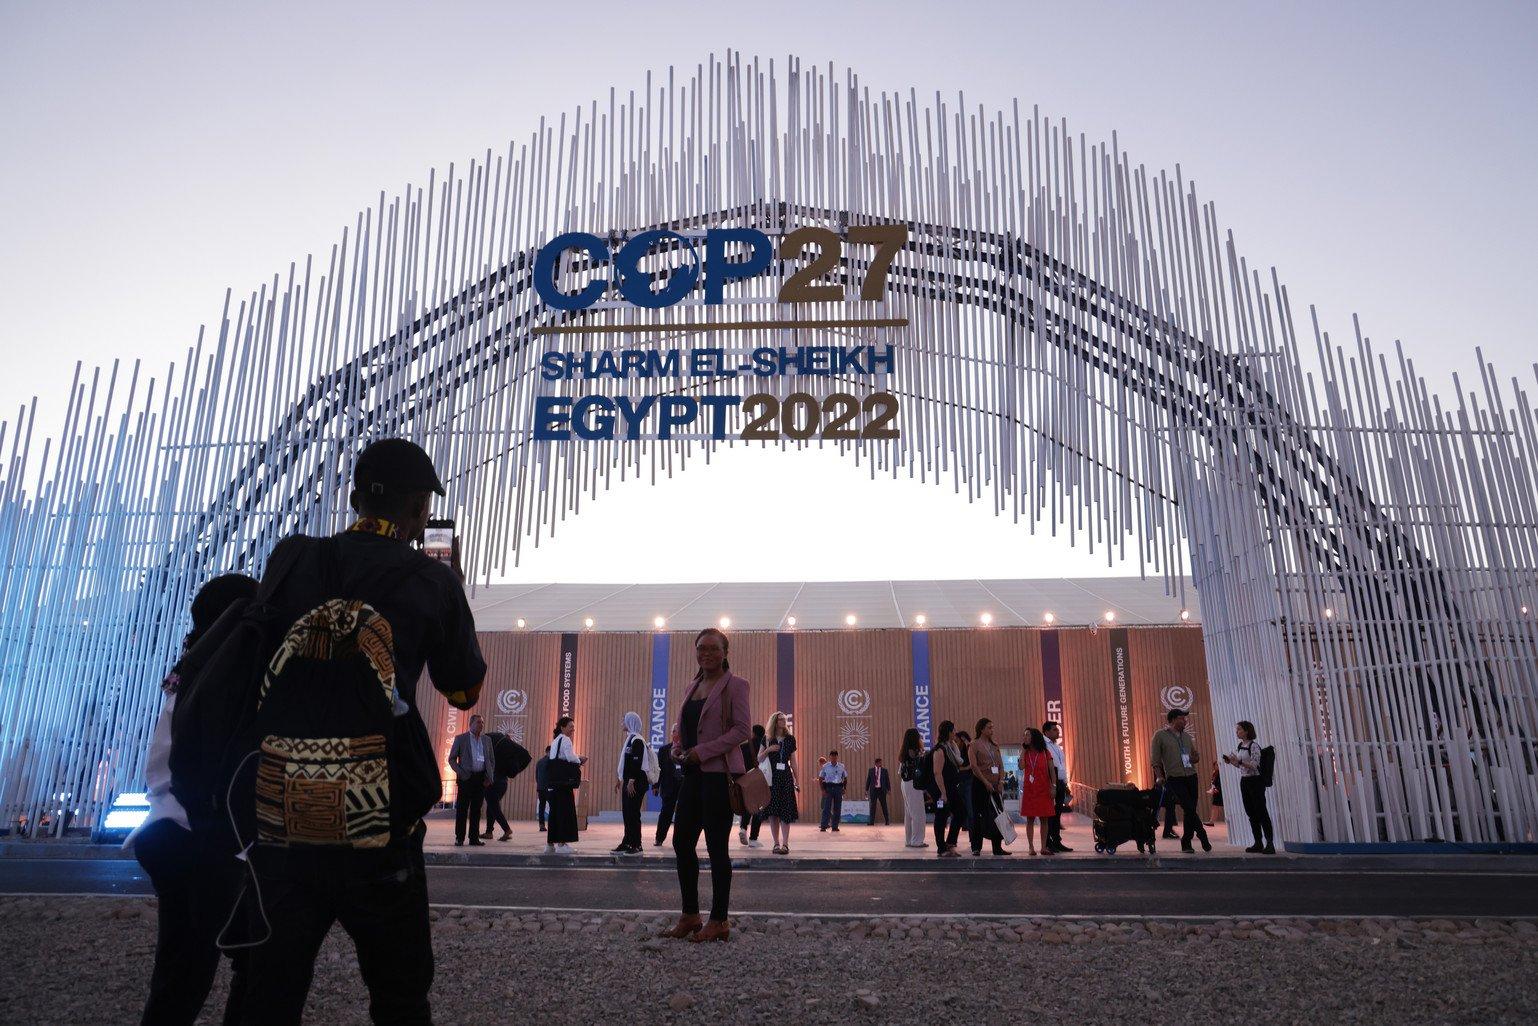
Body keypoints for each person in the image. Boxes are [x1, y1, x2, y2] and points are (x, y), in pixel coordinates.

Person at [242, 437, 487, 1025]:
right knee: (400, 994)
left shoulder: (293, 558)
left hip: (284, 811)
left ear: (353, 497)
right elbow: (464, 691)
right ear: (420, 511)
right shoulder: (432, 581)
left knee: (266, 991)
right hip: (377, 819)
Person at [130, 572, 258, 1026]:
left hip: (170, 828)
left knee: (185, 969)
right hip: (206, 838)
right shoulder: (226, 676)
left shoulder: (190, 667)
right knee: (211, 966)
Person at [660, 628, 751, 944]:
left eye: (713, 648)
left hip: (718, 777)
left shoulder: (736, 686)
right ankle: (690, 915)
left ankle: (719, 920)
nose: (706, 653)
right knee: (681, 843)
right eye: (701, 648)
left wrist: (703, 751)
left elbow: (742, 731)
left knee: (717, 848)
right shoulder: (692, 686)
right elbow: (687, 728)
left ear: (725, 651)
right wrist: (679, 747)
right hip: (692, 775)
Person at [1152, 707, 1211, 852]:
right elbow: (1155, 759)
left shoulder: (1186, 737)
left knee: (1189, 810)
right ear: (1173, 720)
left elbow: (1194, 756)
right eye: (1182, 718)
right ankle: (1202, 835)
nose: (1185, 721)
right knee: (1188, 807)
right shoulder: (1160, 736)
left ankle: (1186, 843)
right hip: (1174, 777)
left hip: (1191, 776)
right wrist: (1159, 776)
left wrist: (1195, 758)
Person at [1223, 720, 1275, 853]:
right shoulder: (1240, 745)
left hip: (1255, 781)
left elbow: (1254, 765)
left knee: (1261, 811)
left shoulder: (1254, 746)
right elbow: (1240, 765)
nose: (1237, 732)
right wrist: (1232, 762)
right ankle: (1258, 842)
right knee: (1251, 812)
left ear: (1247, 731)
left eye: (1239, 729)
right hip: (1245, 781)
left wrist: (1239, 762)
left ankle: (1269, 843)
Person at [967, 719, 1011, 856]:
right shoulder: (974, 745)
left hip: (996, 786)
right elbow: (974, 766)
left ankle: (997, 847)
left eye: (992, 727)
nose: (992, 730)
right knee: (979, 816)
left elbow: (1001, 766)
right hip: (980, 785)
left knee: (998, 815)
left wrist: (1001, 781)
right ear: (981, 729)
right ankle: (976, 847)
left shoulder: (994, 745)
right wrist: (985, 782)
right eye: (989, 727)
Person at [448, 714, 493, 846]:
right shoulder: (461, 739)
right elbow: (451, 759)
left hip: (481, 779)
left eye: (482, 722)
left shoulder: (487, 740)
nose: (481, 725)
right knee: (462, 809)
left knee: (476, 810)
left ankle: (474, 838)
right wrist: (461, 773)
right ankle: (459, 838)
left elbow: (491, 760)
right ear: (471, 724)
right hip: (466, 778)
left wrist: (489, 776)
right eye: (478, 722)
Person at [545, 717, 585, 854]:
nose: (573, 729)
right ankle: (562, 844)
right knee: (565, 812)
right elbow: (570, 757)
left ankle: (550, 844)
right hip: (564, 784)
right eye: (570, 727)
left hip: (554, 783)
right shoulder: (566, 740)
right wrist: (580, 758)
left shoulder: (555, 741)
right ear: (562, 727)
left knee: (554, 814)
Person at [761, 711, 798, 855]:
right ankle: (776, 843)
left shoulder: (790, 739)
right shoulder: (767, 738)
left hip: (786, 778)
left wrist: (797, 780)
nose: (783, 721)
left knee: (786, 811)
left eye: (784, 719)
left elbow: (793, 761)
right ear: (775, 722)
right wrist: (768, 750)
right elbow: (759, 758)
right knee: (773, 812)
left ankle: (785, 844)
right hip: (771, 779)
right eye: (781, 719)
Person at [1018, 727, 1057, 856]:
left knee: (1044, 819)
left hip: (1044, 789)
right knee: (1030, 819)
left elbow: (1052, 771)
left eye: (1027, 735)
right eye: (1024, 735)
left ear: (1034, 737)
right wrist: (1023, 752)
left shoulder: (1045, 752)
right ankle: (1031, 847)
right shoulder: (1026, 753)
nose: (1025, 738)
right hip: (1030, 789)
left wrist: (1053, 786)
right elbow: (1021, 766)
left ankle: (1044, 847)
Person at [614, 712, 648, 856]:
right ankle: (627, 842)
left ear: (630, 722)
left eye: (624, 721)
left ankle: (636, 844)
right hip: (628, 780)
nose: (622, 723)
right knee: (627, 813)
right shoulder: (630, 739)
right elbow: (626, 762)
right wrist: (620, 779)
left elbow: (636, 761)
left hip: (636, 782)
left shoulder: (637, 740)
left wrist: (631, 781)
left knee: (633, 813)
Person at [929, 720, 963, 857]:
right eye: (954, 730)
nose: (955, 733)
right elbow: (937, 773)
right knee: (941, 817)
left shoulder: (951, 748)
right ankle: (941, 848)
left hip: (952, 788)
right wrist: (943, 793)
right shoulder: (940, 750)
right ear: (948, 732)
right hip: (942, 790)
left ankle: (949, 843)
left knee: (961, 812)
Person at [1041, 721, 1072, 853]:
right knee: (1050, 815)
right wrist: (1053, 785)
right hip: (1050, 783)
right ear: (1047, 732)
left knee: (1057, 814)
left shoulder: (1055, 746)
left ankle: (1057, 841)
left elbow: (1061, 766)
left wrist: (1065, 783)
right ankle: (1048, 842)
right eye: (1054, 730)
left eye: (1058, 730)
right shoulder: (1043, 745)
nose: (1058, 732)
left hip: (1060, 783)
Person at [653, 724, 684, 847]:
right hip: (669, 786)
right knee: (666, 812)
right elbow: (659, 769)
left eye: (679, 731)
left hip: (683, 786)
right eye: (675, 731)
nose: (677, 733)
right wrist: (655, 785)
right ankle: (659, 838)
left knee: (683, 815)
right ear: (672, 733)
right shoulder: (664, 750)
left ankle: (681, 841)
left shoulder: (687, 749)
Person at [738, 723, 767, 848]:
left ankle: (743, 828)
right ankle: (753, 838)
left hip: (746, 778)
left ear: (753, 733)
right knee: (759, 807)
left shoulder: (744, 746)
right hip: (760, 778)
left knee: (747, 805)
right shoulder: (765, 746)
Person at [896, 732, 928, 847]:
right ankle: (917, 841)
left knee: (909, 814)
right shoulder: (915, 752)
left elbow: (900, 771)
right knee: (918, 813)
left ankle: (909, 840)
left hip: (904, 783)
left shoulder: (904, 752)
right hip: (914, 784)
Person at [818, 750, 848, 831]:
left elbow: (845, 778)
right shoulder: (825, 766)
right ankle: (824, 826)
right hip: (829, 788)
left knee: (837, 808)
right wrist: (822, 790)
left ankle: (835, 826)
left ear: (837, 757)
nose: (833, 758)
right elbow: (820, 778)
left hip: (838, 788)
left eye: (835, 756)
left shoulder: (841, 766)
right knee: (826, 808)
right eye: (832, 756)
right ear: (830, 757)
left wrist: (844, 788)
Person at [866, 757, 892, 827]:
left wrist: (889, 789)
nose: (880, 764)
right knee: (873, 806)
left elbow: (887, 780)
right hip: (874, 790)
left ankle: (887, 821)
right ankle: (871, 822)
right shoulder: (871, 770)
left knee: (884, 806)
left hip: (881, 790)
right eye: (879, 763)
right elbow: (868, 780)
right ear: (876, 763)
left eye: (881, 762)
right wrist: (866, 789)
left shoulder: (884, 770)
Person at [534, 751, 550, 833]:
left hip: (540, 787)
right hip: (548, 787)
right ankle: (553, 825)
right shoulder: (551, 761)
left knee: (541, 806)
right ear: (549, 752)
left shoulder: (539, 762)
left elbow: (536, 775)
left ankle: (541, 825)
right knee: (553, 806)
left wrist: (539, 784)